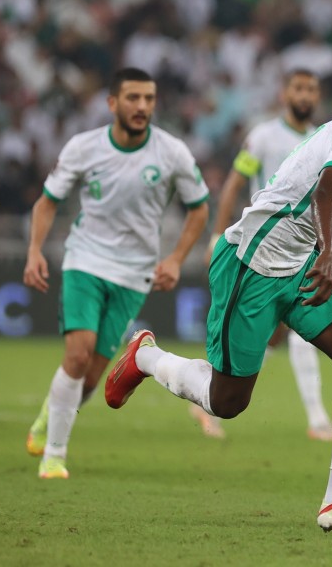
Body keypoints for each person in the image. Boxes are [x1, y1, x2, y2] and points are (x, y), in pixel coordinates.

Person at [104, 69, 332, 533]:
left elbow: (319, 209)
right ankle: (147, 356)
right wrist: (329, 255)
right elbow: (326, 190)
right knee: (227, 401)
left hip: (299, 264)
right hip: (253, 265)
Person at [23, 67, 210, 479]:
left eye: (148, 99)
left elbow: (200, 207)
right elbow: (47, 201)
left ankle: (45, 419)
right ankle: (54, 455)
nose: (142, 106)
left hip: (134, 274)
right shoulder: (83, 147)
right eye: (133, 98)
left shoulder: (172, 152)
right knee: (78, 352)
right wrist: (35, 251)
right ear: (112, 103)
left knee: (91, 376)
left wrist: (176, 258)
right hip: (85, 261)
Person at [193, 68, 332, 441]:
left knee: (291, 333)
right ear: (285, 94)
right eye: (299, 88)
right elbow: (235, 184)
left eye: (312, 90)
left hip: (304, 250)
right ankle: (206, 389)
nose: (305, 96)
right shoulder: (263, 138)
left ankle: (316, 418)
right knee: (266, 338)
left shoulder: (325, 138)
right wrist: (217, 235)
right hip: (262, 250)